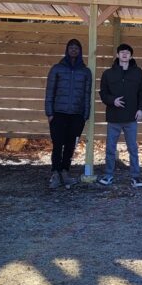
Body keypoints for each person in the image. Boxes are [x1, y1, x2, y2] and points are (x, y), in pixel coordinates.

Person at [98, 43, 142, 188]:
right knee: (110, 148)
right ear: (117, 55)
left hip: (131, 118)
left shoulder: (138, 72)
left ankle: (135, 177)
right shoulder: (108, 73)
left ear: (131, 56)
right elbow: (103, 93)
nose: (125, 54)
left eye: (127, 52)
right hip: (114, 117)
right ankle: (108, 176)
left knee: (133, 148)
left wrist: (141, 110)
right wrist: (112, 100)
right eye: (122, 52)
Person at [45, 38, 93, 189]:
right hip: (58, 113)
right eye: (71, 47)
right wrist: (49, 113)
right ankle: (55, 173)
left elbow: (87, 94)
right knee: (57, 144)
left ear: (80, 51)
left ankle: (65, 172)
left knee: (71, 145)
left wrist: (85, 115)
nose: (73, 50)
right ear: (67, 50)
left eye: (76, 48)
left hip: (77, 115)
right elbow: (50, 91)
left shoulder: (85, 72)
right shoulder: (57, 69)